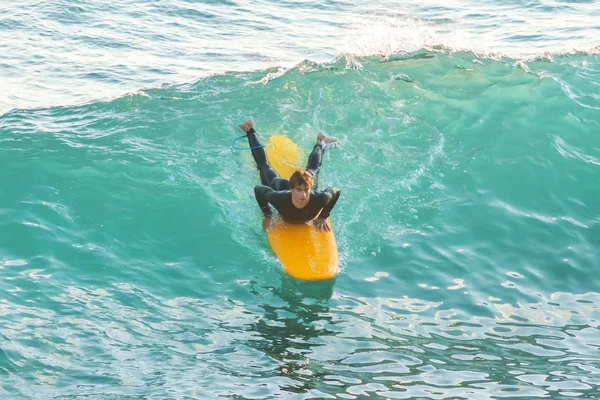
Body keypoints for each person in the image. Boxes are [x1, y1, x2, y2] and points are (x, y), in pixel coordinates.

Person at [239, 119, 341, 232]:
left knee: (313, 169)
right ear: (291, 188)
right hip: (280, 185)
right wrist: (268, 215)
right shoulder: (278, 198)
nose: (303, 195)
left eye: (306, 189)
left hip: (305, 181)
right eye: (299, 189)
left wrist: (323, 216)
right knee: (264, 166)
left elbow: (336, 191)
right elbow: (258, 190)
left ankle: (320, 142)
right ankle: (249, 129)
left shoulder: (320, 198)